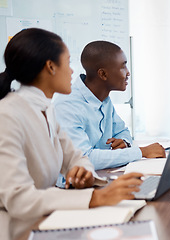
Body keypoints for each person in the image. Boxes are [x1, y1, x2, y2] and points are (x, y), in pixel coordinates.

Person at [0, 28, 144, 240]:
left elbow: (76, 157)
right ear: (50, 67)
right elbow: (19, 199)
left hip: (49, 218)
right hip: (18, 229)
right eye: (67, 63)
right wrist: (96, 197)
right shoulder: (8, 115)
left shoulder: (46, 109)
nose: (72, 71)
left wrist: (82, 172)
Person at [54, 41, 165, 171]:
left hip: (102, 175)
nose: (128, 73)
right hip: (72, 187)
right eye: (123, 67)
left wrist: (124, 142)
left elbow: (122, 131)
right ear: (103, 74)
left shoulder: (103, 99)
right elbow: (84, 158)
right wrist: (141, 152)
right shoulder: (68, 106)